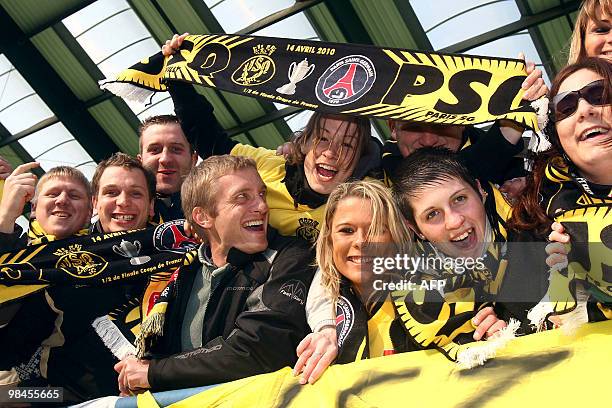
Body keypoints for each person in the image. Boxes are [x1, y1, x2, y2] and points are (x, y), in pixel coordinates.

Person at [114, 155, 316, 393]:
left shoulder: (290, 256)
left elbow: (261, 347)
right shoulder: (180, 274)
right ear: (203, 217)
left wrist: (156, 372)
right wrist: (141, 375)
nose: (262, 206)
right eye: (243, 197)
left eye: (261, 194)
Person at [510, 57, 612, 327]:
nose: (584, 110)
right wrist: (564, 305)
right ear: (557, 137)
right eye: (566, 107)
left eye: (599, 94)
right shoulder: (537, 219)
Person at [0, 164, 92, 387]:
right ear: (32, 207)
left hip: (58, 397)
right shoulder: (12, 250)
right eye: (52, 194)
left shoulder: (100, 264)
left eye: (74, 195)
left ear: (90, 212)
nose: (62, 200)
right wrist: (5, 219)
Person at [137, 114, 198, 223]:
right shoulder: (122, 212)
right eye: (155, 150)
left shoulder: (217, 210)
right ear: (140, 161)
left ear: (193, 160)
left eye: (176, 149)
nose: (165, 159)